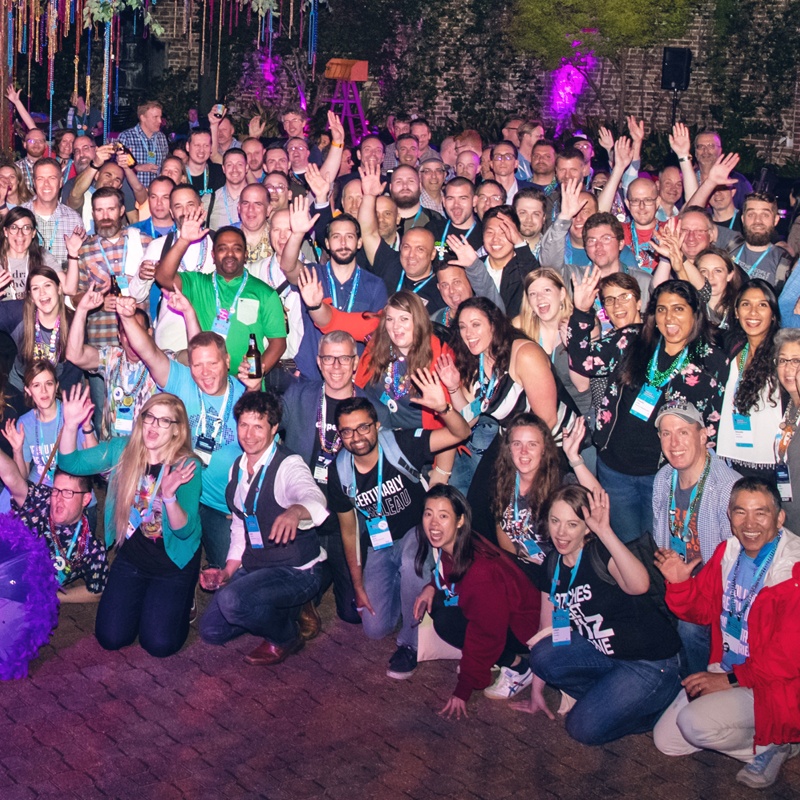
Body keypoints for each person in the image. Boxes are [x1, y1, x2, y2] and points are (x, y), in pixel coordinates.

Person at [653, 477, 800, 790]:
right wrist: (679, 584)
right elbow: (702, 611)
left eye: (760, 513)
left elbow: (788, 660)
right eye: (740, 512)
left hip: (776, 686)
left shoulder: (793, 571)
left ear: (779, 517)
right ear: (730, 517)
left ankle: (779, 740)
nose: (749, 524)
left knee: (694, 723)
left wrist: (729, 680)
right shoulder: (728, 552)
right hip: (732, 669)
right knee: (668, 740)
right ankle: (765, 738)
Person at [566, 275, 728, 543]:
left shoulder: (712, 361)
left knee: (662, 549)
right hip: (615, 470)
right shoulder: (632, 339)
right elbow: (584, 362)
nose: (669, 317)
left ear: (694, 313)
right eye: (662, 309)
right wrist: (582, 312)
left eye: (678, 309)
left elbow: (712, 427)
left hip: (667, 476)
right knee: (627, 548)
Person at [327, 391, 470, 679]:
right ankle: (413, 597)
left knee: (411, 562)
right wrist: (358, 585)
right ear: (339, 434)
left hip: (415, 532)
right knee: (374, 628)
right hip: (379, 545)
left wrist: (442, 407)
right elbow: (349, 530)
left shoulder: (400, 443)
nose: (356, 437)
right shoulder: (339, 471)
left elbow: (461, 432)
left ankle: (409, 644)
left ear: (377, 425)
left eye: (363, 427)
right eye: (347, 431)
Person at [525, 485, 683, 745]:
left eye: (572, 524)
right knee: (542, 656)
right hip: (604, 652)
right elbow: (549, 630)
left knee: (581, 728)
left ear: (587, 528)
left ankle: (665, 704)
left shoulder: (600, 552)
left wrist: (605, 531)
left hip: (650, 662)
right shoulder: (552, 564)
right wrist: (536, 692)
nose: (561, 533)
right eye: (555, 521)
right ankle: (612, 697)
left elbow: (639, 585)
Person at [58, 387, 203, 658]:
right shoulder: (122, 450)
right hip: (133, 558)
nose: (153, 426)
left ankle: (182, 595)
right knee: (111, 638)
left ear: (176, 430)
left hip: (173, 563)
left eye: (164, 421)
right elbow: (70, 463)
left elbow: (185, 531)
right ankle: (150, 601)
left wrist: (169, 497)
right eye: (149, 417)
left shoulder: (186, 466)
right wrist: (70, 424)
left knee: (159, 645)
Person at [115, 297, 255, 569]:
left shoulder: (244, 397)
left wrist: (242, 505)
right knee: (172, 556)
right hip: (176, 492)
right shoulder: (182, 381)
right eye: (197, 365)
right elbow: (148, 351)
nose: (205, 373)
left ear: (227, 360)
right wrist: (128, 317)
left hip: (220, 506)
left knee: (232, 567)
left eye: (212, 363)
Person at [199, 390, 329, 664]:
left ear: (273, 429)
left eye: (258, 426)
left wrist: (296, 510)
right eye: (243, 425)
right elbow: (240, 524)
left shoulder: (288, 464)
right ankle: (283, 608)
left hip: (297, 569)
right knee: (211, 631)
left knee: (233, 602)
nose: (249, 434)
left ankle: (286, 636)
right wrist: (228, 570)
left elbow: (314, 497)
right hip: (258, 564)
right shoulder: (238, 466)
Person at [412, 485, 541, 717]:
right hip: (502, 611)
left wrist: (464, 686)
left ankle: (518, 666)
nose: (433, 524)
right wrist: (431, 587)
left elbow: (486, 632)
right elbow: (449, 575)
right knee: (439, 605)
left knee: (446, 622)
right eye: (428, 513)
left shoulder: (480, 571)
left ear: (460, 520)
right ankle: (493, 659)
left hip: (525, 629)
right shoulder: (459, 542)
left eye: (443, 516)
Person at [280, 331, 364, 624]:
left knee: (353, 614)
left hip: (347, 520)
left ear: (355, 362)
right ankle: (316, 571)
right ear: (319, 361)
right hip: (304, 511)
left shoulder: (369, 406)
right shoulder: (300, 394)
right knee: (291, 606)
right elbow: (265, 427)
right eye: (329, 358)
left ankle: (326, 567)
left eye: (344, 358)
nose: (336, 365)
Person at [652, 400, 740, 674]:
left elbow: (734, 566)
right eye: (666, 433)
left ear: (703, 436)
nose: (674, 442)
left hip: (712, 590)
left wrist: (689, 586)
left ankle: (702, 682)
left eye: (683, 432)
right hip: (676, 578)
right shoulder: (664, 477)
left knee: (690, 629)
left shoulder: (727, 488)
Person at [154, 209, 287, 376]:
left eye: (237, 249)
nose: (230, 254)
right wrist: (183, 240)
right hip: (205, 381)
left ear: (245, 255)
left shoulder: (265, 293)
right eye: (222, 249)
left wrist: (255, 373)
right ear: (213, 255)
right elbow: (163, 277)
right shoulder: (198, 283)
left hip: (247, 387)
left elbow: (278, 343)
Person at [492, 413, 598, 570]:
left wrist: (574, 458)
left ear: (543, 449)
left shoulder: (560, 483)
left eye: (532, 444)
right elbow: (501, 525)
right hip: (520, 568)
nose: (524, 451)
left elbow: (598, 503)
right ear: (508, 449)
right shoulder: (503, 480)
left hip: (555, 572)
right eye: (517, 444)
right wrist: (516, 565)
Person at [0, 448, 107, 603]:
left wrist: (55, 597)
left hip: (24, 603)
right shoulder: (41, 500)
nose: (58, 498)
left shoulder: (91, 548)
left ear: (86, 499)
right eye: (56, 490)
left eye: (68, 492)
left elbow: (97, 590)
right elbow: (11, 477)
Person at [65, 285, 164, 439]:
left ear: (149, 333)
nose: (131, 340)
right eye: (126, 332)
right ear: (118, 335)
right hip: (112, 454)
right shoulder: (112, 356)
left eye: (137, 332)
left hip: (147, 452)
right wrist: (82, 310)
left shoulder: (162, 361)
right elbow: (74, 355)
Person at [717, 280, 782, 482]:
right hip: (730, 463)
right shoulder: (732, 346)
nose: (753, 312)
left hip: (773, 466)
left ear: (773, 313)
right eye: (746, 304)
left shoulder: (784, 353)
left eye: (762, 305)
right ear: (736, 312)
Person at [74, 186, 152, 350]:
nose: (105, 216)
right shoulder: (83, 250)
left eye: (111, 209)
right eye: (99, 210)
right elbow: (74, 297)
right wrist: (98, 303)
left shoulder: (145, 243)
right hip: (101, 341)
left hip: (141, 342)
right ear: (93, 213)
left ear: (122, 210)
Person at [513, 269, 591, 427]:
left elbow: (582, 386)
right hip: (536, 416)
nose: (540, 298)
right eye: (533, 294)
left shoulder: (581, 325)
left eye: (547, 290)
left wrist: (572, 348)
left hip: (579, 418)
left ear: (562, 293)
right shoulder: (520, 327)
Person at [0, 265, 83, 412]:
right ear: (31, 296)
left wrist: (58, 405)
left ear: (59, 289)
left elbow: (72, 374)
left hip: (55, 392)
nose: (42, 292)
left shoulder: (73, 324)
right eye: (36, 288)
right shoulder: (18, 313)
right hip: (19, 389)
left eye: (47, 285)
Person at [6, 361, 96, 487]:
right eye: (36, 385)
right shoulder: (24, 423)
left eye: (48, 384)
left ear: (56, 385)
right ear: (28, 390)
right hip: (39, 493)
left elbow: (95, 464)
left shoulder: (73, 412)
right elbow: (22, 478)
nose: (43, 391)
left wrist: (86, 425)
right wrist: (17, 450)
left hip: (72, 491)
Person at [22, 157, 84, 270]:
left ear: (60, 182)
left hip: (64, 285)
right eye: (40, 178)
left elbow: (81, 261)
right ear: (34, 183)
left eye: (52, 178)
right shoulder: (19, 216)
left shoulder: (74, 219)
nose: (46, 184)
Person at [0, 207, 64, 301]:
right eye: (14, 227)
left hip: (34, 313)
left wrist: (73, 255)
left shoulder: (42, 256)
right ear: (6, 231)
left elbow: (68, 289)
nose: (20, 234)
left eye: (26, 228)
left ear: (33, 233)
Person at [773, 328, 800, 530]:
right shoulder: (788, 408)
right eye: (783, 360)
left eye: (796, 361)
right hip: (789, 518)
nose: (789, 368)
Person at [117, 101, 169, 188]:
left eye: (160, 117)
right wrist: (137, 167)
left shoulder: (162, 137)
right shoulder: (126, 137)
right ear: (143, 118)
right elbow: (117, 167)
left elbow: (165, 163)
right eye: (155, 117)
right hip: (132, 191)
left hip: (156, 192)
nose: (160, 121)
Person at [696, 246, 742, 330]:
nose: (710, 277)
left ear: (729, 275)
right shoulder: (693, 306)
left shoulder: (739, 308)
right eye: (703, 271)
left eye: (718, 271)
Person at [207, 148, 247, 230]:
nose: (234, 169)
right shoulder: (210, 200)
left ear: (246, 167)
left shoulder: (258, 198)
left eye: (239, 164)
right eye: (229, 165)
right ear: (223, 169)